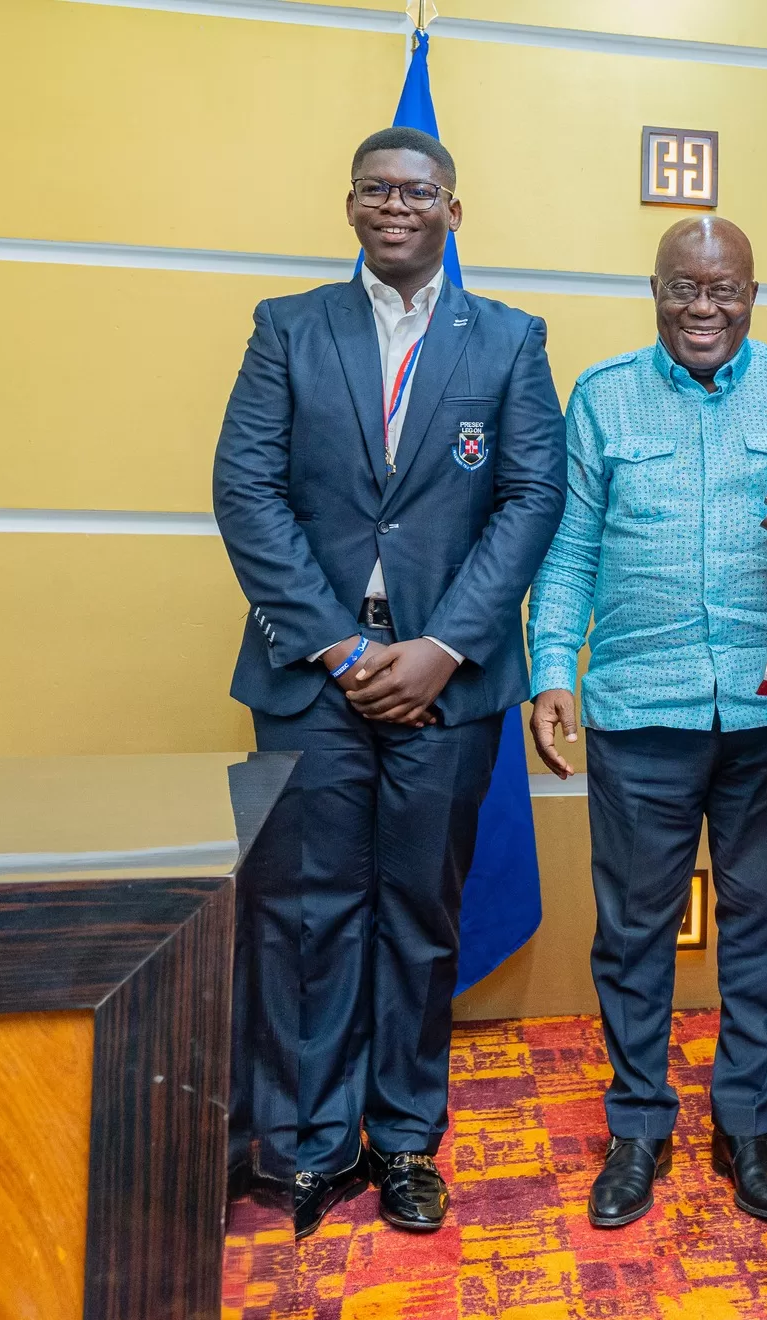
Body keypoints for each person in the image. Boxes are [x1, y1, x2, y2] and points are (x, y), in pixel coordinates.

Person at [212, 126, 567, 1239]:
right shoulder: (287, 329)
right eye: (377, 188)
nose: (396, 205)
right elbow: (245, 492)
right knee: (307, 916)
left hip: (447, 683)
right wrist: (339, 647)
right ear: (352, 203)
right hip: (312, 675)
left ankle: (406, 1137)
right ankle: (311, 1145)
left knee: (419, 916)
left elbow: (529, 500)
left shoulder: (508, 341)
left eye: (418, 191)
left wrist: (441, 647)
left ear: (451, 211)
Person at [527, 218, 767, 1231]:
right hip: (639, 706)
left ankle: (744, 1124)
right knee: (632, 932)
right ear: (654, 289)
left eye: (724, 291)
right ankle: (636, 1125)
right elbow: (570, 550)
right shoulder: (602, 394)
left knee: (762, 926)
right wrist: (548, 668)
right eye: (683, 289)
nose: (703, 310)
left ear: (753, 293)